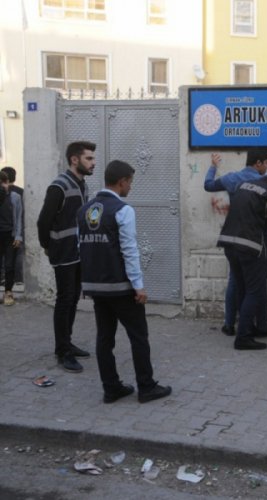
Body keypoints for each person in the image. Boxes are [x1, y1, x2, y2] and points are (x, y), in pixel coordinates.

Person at [77, 160, 172, 404]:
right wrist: (138, 286)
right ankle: (146, 387)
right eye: (130, 182)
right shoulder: (122, 210)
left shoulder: (84, 210)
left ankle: (111, 388)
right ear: (122, 182)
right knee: (138, 336)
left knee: (104, 339)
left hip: (96, 286)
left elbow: (82, 248)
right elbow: (129, 249)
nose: (130, 187)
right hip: (121, 287)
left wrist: (85, 282)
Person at [204, 149, 267, 337]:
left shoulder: (233, 179)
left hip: (232, 235)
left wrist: (213, 166)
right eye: (266, 162)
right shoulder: (266, 183)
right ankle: (255, 327)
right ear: (258, 163)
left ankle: (229, 323)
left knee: (236, 281)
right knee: (256, 286)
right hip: (256, 239)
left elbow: (208, 185)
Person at [217, 170, 267, 350]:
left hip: (228, 243)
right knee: (255, 291)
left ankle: (254, 328)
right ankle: (243, 337)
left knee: (242, 287)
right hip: (251, 247)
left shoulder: (243, 185)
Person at [37, 141, 96, 373]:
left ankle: (67, 342)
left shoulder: (83, 185)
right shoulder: (58, 186)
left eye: (92, 158)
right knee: (65, 300)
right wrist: (48, 246)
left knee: (72, 300)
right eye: (88, 159)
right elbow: (43, 221)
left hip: (79, 252)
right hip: (63, 253)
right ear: (74, 159)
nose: (93, 162)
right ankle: (62, 352)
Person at [0, 170, 22, 305]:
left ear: (8, 182)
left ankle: (8, 292)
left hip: (10, 235)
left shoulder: (15, 197)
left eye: (3, 183)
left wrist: (18, 236)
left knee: (9, 265)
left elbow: (18, 218)